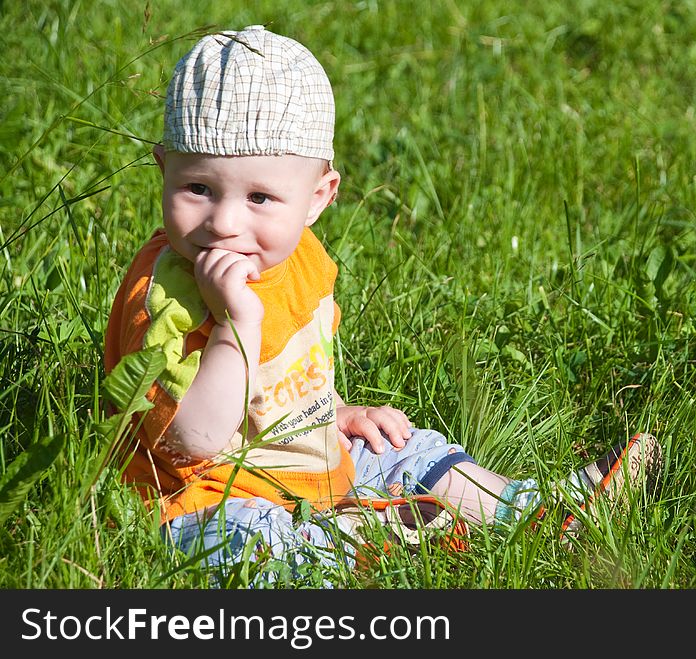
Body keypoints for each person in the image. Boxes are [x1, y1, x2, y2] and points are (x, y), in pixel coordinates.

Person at [103, 25, 660, 586]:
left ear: (317, 199)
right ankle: (403, 541)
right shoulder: (165, 298)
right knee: (254, 540)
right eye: (198, 188)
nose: (224, 222)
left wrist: (336, 415)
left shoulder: (301, 260)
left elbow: (301, 368)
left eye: (260, 198)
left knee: (404, 448)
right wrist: (236, 326)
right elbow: (188, 441)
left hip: (308, 461)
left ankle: (533, 512)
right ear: (163, 167)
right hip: (203, 496)